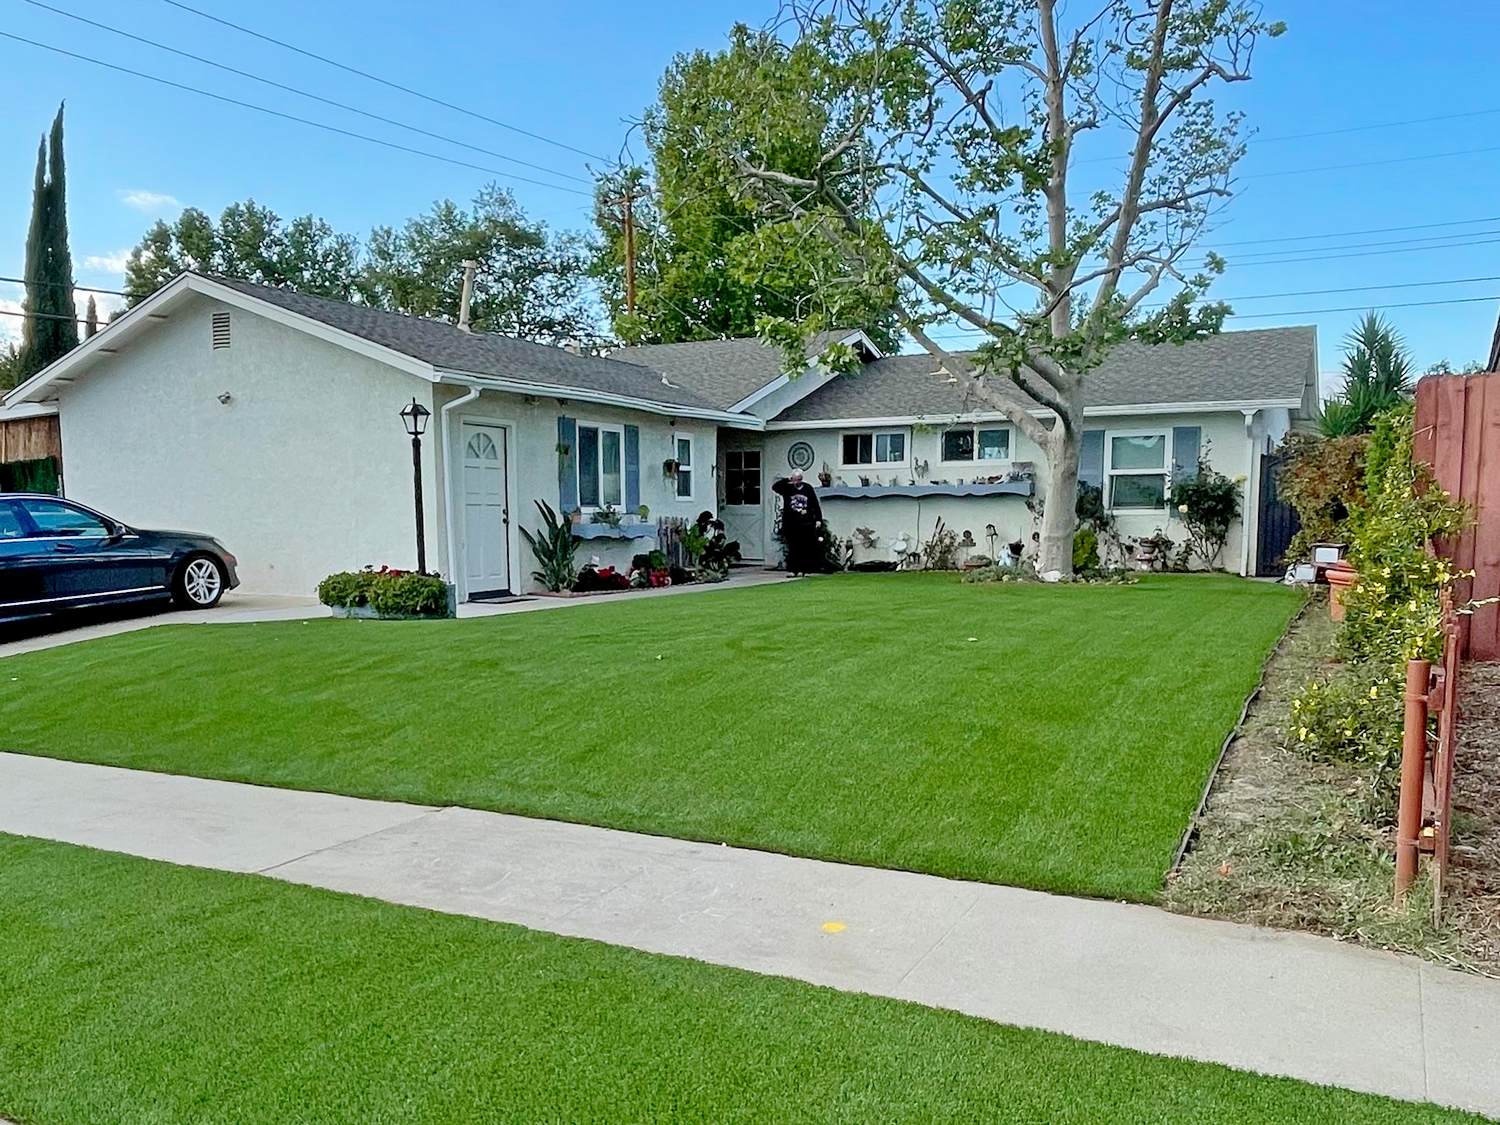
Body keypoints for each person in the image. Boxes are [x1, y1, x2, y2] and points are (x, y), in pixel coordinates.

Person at [772, 470, 825, 577]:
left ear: (802, 479)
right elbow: (775, 487)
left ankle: (803, 570)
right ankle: (793, 570)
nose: (797, 482)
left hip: (806, 523)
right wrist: (788, 480)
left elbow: (815, 504)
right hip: (791, 523)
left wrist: (818, 519)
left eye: (799, 479)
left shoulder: (808, 488)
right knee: (792, 547)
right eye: (795, 479)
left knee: (804, 547)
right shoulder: (787, 488)